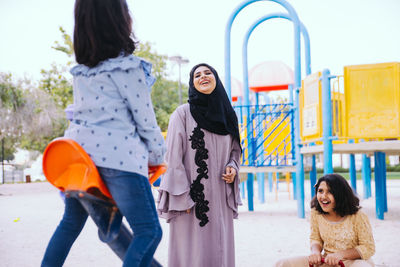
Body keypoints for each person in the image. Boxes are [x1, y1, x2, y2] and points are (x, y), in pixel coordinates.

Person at [41, 0, 166, 266]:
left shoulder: (82, 72)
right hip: (119, 158)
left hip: (81, 159)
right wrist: (157, 155)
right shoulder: (129, 68)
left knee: (70, 224)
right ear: (120, 20)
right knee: (149, 232)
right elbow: (145, 120)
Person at [157, 63, 242, 267]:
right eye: (197, 75)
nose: (203, 76)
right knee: (192, 253)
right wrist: (182, 197)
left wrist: (233, 167)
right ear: (192, 83)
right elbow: (173, 158)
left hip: (220, 197)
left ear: (216, 78)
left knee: (219, 249)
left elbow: (235, 150)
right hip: (191, 199)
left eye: (208, 73)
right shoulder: (183, 114)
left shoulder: (228, 115)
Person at [274, 173, 375, 267]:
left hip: (353, 262)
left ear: (340, 195)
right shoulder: (316, 213)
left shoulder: (358, 216)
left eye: (330, 192)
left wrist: (340, 255)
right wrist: (315, 252)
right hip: (326, 261)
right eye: (320, 191)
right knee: (282, 264)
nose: (323, 196)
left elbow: (368, 247)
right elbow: (315, 238)